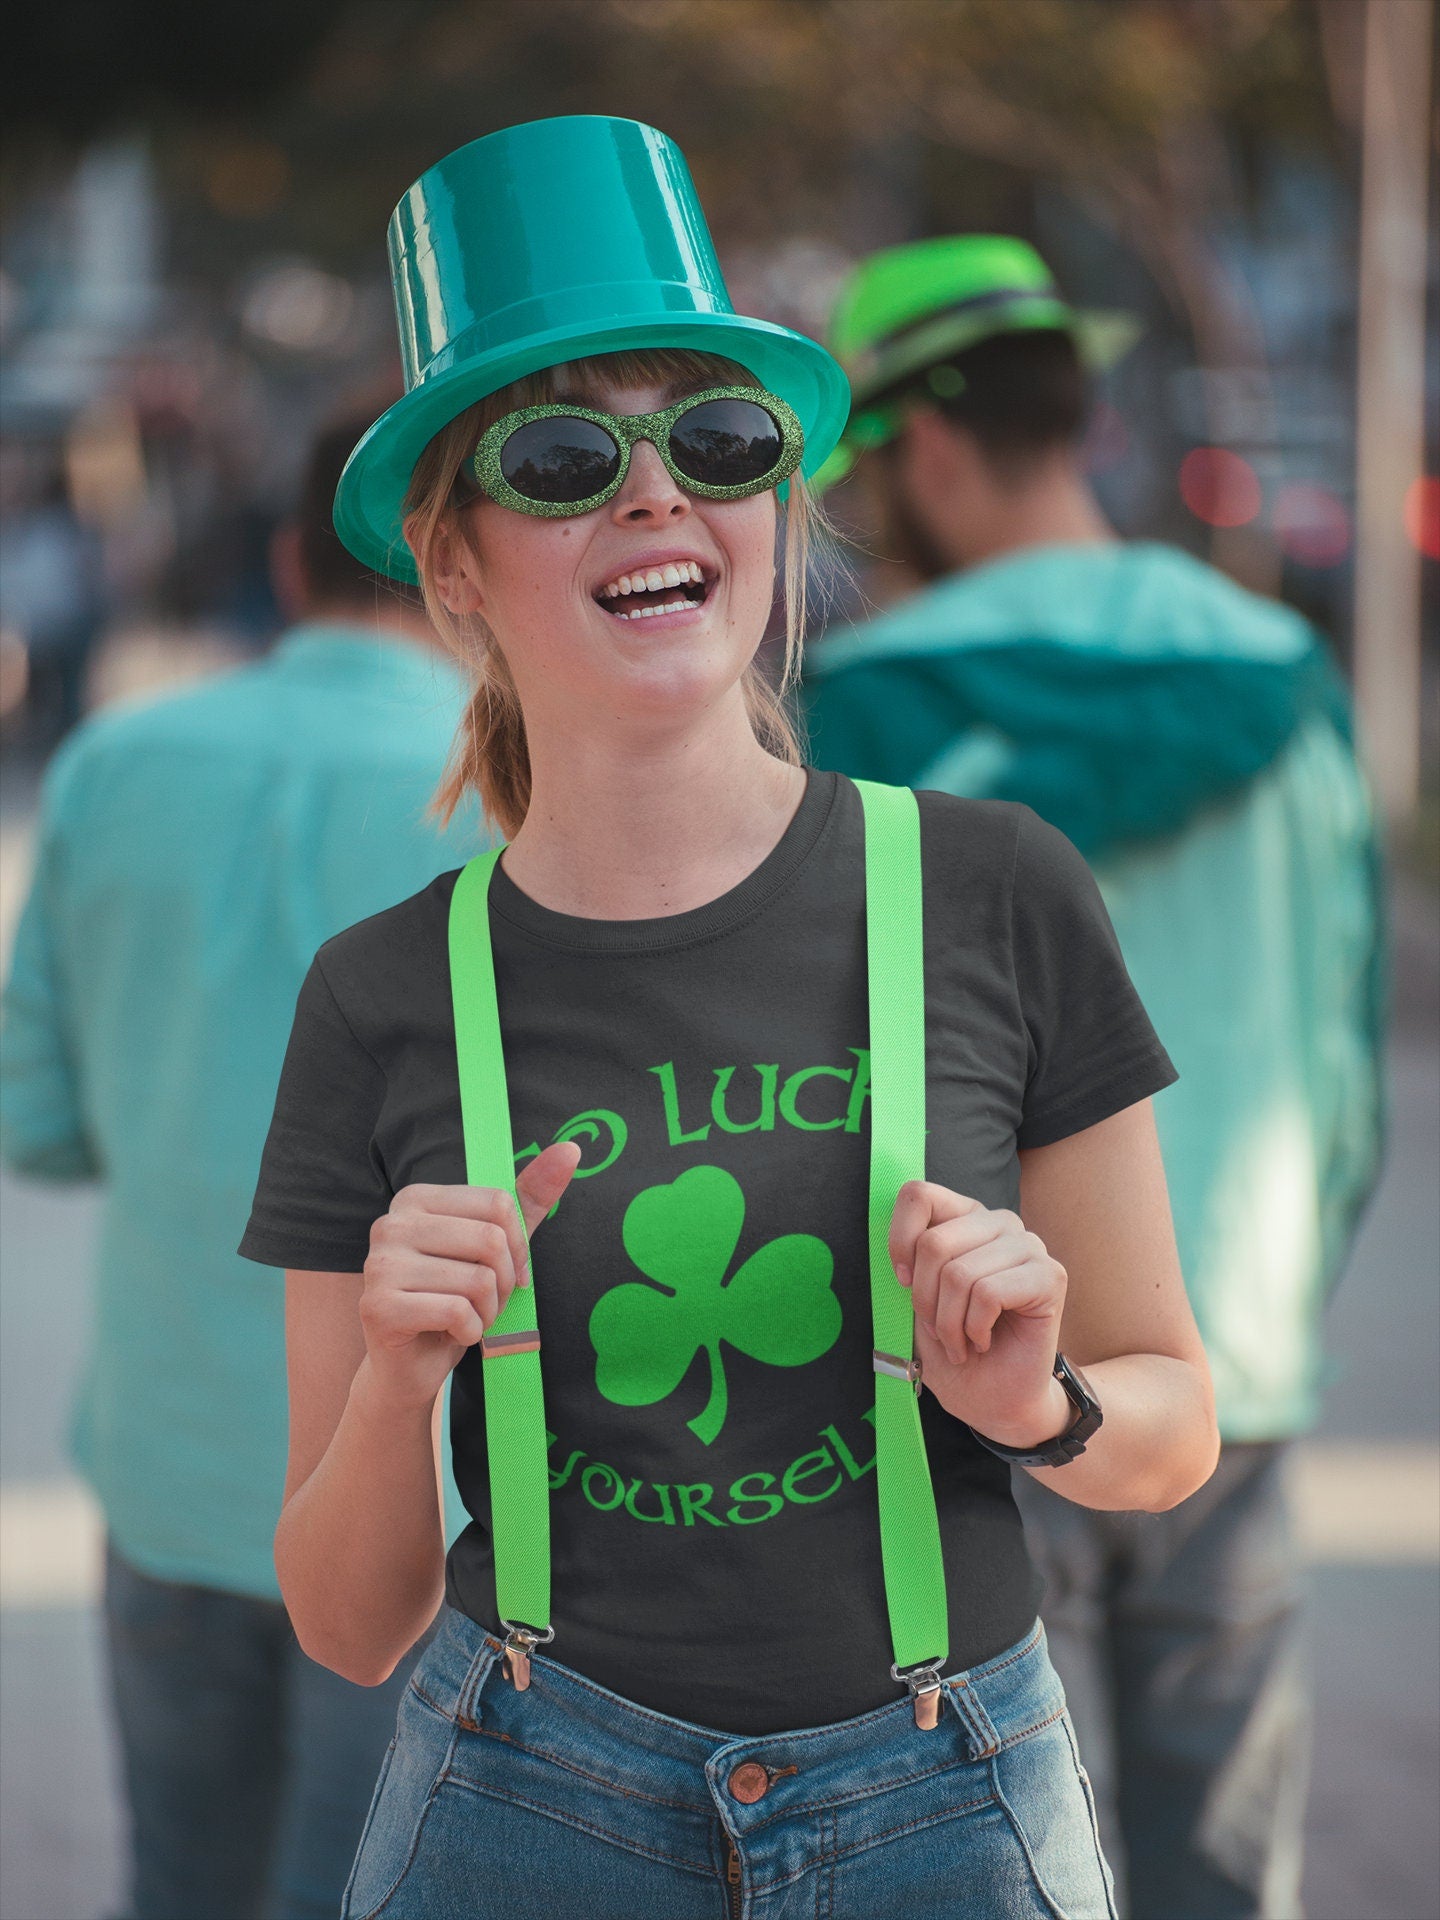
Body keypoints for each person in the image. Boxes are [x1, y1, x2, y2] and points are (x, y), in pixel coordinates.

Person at [238, 118, 1218, 1920]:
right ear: (452, 566)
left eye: (717, 438)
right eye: (558, 456)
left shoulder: (996, 890)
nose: (654, 494)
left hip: (945, 1801)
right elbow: (345, 1620)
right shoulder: (381, 998)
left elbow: (1172, 1430)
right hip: (523, 1802)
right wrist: (396, 1384)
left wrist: (1040, 1404)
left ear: (778, 500)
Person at [803, 234, 1386, 1919]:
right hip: (1241, 1371)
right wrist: (1270, 1290)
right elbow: (1346, 1044)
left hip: (975, 1377)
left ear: (913, 447)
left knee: (998, 1872)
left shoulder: (852, 717)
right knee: (1224, 1870)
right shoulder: (1286, 678)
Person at [0, 412, 482, 1920]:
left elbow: (35, 1119)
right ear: (470, 568)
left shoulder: (114, 764)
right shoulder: (524, 801)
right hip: (427, 1503)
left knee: (184, 1882)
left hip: (172, 1463)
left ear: (287, 563)